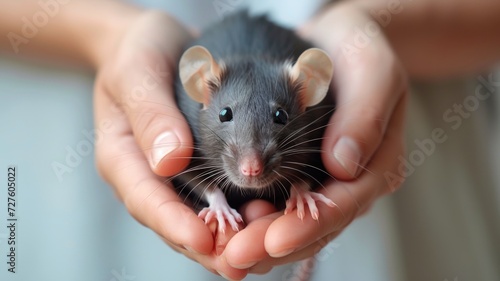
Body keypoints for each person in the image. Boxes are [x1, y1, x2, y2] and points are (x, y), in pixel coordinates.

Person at [0, 0, 498, 280]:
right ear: (203, 91)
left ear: (305, 96)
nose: (254, 161)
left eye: (282, 118)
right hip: (63, 126)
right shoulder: (195, 111)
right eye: (227, 117)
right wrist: (107, 35)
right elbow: (191, 164)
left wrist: (373, 29)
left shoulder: (312, 107)